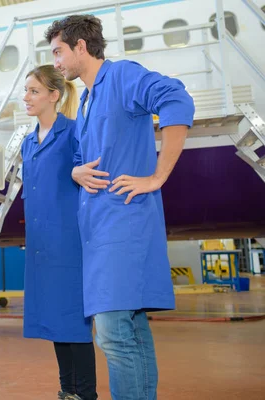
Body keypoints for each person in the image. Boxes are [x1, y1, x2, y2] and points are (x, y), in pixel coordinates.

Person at [45, 15, 195, 400]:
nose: (56, 62)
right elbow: (82, 157)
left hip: (124, 226)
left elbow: (177, 98)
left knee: (112, 334)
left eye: (59, 52)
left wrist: (157, 177)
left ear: (81, 46)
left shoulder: (123, 76)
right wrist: (77, 171)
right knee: (130, 332)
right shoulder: (88, 102)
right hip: (99, 233)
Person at [20, 64, 97, 400]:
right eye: (26, 90)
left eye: (34, 91)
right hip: (41, 246)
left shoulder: (74, 132)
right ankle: (68, 391)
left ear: (54, 95)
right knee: (54, 321)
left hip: (69, 245)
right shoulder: (26, 142)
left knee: (74, 325)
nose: (26, 97)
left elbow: (90, 174)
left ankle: (86, 394)